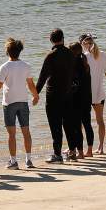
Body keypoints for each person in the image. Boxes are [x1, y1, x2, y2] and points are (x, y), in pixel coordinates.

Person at [0, 37, 39, 169]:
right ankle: (28, 160)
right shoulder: (26, 66)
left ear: (8, 52)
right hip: (23, 101)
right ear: (19, 51)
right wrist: (36, 96)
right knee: (26, 131)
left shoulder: (4, 67)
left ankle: (14, 161)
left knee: (12, 134)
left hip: (9, 103)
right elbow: (31, 84)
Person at [34, 28, 76, 163]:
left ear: (51, 40)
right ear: (63, 38)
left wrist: (35, 94)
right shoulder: (70, 53)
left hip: (53, 96)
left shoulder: (50, 56)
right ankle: (72, 151)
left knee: (55, 125)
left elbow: (42, 78)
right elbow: (75, 75)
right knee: (68, 123)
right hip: (68, 94)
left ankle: (57, 154)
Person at [80, 33, 106, 154]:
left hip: (86, 94)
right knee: (100, 121)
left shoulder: (83, 57)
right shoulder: (102, 54)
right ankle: (101, 147)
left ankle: (81, 148)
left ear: (83, 44)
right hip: (99, 93)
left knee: (82, 123)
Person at [64, 41, 91, 160]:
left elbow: (72, 84)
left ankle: (77, 151)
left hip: (75, 100)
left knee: (75, 127)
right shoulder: (85, 64)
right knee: (85, 125)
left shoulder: (73, 66)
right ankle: (81, 151)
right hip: (86, 99)